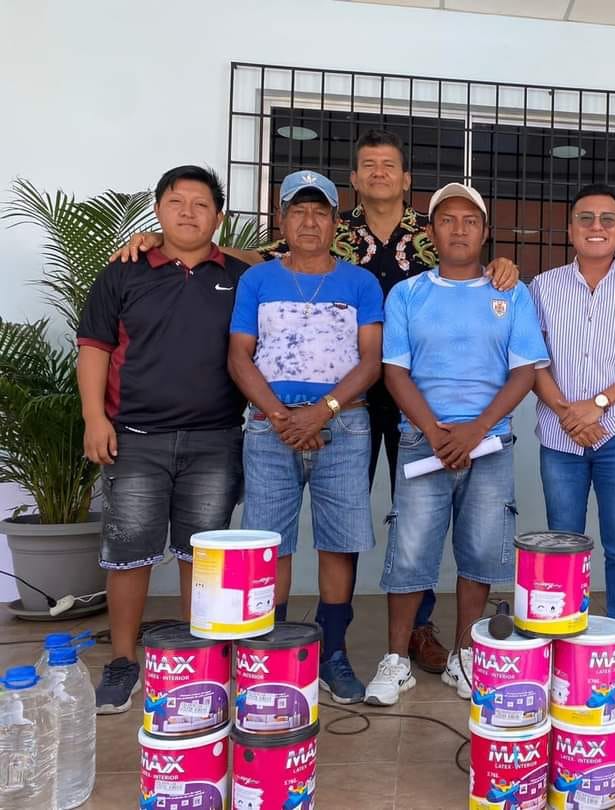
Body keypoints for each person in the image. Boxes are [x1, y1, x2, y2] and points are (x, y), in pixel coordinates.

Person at [111, 129, 520, 675]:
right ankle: (280, 646)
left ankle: (413, 633)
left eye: (388, 164)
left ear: (405, 178)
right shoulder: (330, 230)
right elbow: (252, 261)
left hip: (406, 399)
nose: (378, 172)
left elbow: (468, 264)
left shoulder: (435, 228)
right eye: (368, 164)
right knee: (371, 525)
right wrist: (164, 244)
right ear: (353, 180)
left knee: (407, 522)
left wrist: (503, 263)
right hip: (346, 402)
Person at [365, 182, 549, 706]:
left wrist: (476, 430)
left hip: (490, 443)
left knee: (481, 551)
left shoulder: (511, 293)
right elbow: (394, 371)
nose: (459, 229)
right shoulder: (407, 294)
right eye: (447, 220)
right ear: (431, 232)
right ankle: (396, 660)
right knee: (410, 551)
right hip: (422, 439)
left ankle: (465, 657)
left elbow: (524, 372)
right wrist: (434, 431)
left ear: (485, 231)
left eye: (470, 220)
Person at [76, 165, 245, 713]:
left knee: (204, 558)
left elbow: (289, 265)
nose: (188, 212)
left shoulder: (240, 277)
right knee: (128, 556)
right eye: (177, 202)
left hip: (215, 439)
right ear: (158, 210)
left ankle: (201, 659)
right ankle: (124, 662)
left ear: (218, 217)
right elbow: (94, 348)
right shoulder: (123, 273)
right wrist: (94, 418)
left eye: (201, 204)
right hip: (135, 439)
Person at [228, 170, 383, 703]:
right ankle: (272, 651)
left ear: (336, 222)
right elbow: (239, 356)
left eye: (320, 212)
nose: (310, 221)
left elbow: (371, 361)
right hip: (270, 427)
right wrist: (281, 417)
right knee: (270, 543)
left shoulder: (360, 283)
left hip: (344, 425)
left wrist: (321, 412)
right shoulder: (258, 281)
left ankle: (332, 651)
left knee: (338, 543)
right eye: (299, 210)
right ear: (282, 219)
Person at [529, 183, 615, 697]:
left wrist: (599, 405)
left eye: (607, 219)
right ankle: (562, 642)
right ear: (570, 229)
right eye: (585, 218)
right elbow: (532, 360)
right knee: (563, 543)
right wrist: (570, 413)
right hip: (559, 431)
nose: (596, 227)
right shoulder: (542, 287)